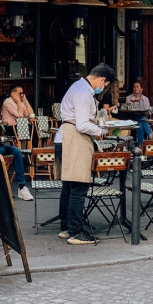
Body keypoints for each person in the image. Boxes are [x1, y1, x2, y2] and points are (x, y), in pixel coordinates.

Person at [56, 63, 114, 245]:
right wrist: (101, 130)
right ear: (102, 79)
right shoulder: (83, 93)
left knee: (69, 186)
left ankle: (66, 227)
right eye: (105, 85)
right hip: (75, 137)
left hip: (65, 136)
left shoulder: (78, 87)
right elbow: (82, 124)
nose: (102, 88)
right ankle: (76, 231)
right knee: (78, 186)